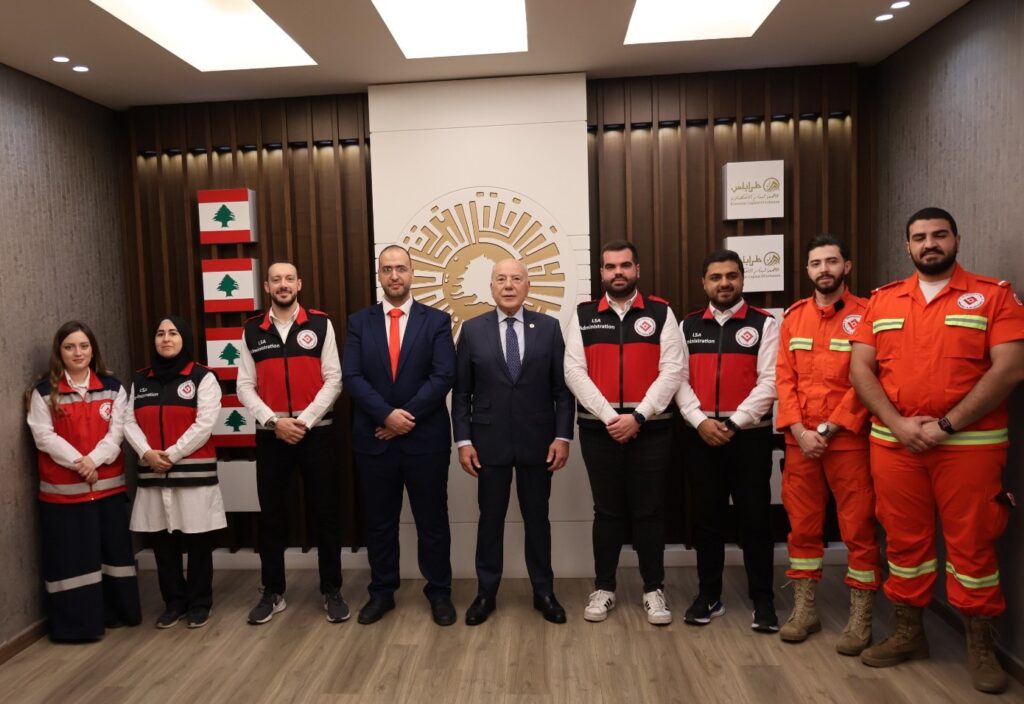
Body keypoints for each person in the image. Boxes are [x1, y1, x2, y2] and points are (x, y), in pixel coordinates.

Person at [849, 207, 1024, 693]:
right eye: (920, 237)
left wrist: (947, 425)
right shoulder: (883, 301)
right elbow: (860, 369)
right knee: (904, 542)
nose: (930, 244)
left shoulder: (994, 296)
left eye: (939, 235)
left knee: (973, 543)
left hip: (969, 445)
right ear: (907, 246)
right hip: (895, 444)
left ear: (956, 240)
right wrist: (898, 424)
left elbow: (1010, 368)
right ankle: (909, 633)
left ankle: (981, 645)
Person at [564, 240, 684, 626]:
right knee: (607, 511)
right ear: (601, 273)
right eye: (611, 266)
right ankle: (604, 588)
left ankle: (653, 589)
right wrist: (610, 417)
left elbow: (673, 370)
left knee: (649, 510)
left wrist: (639, 416)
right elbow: (573, 371)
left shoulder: (661, 312)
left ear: (637, 270)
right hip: (599, 430)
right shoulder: (584, 315)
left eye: (625, 265)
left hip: (652, 429)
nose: (618, 272)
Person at [453, 258, 575, 626]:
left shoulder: (549, 328)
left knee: (537, 520)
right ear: (491, 287)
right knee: (490, 521)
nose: (509, 285)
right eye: (501, 279)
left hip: (539, 442)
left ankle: (544, 592)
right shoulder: (472, 330)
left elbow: (562, 391)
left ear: (527, 286)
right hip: (487, 444)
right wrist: (463, 441)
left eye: (516, 279)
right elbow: (462, 394)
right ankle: (485, 594)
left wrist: (562, 436)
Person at [774, 235, 880, 653]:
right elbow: (784, 378)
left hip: (848, 440)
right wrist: (801, 432)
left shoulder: (868, 314)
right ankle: (805, 611)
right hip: (800, 442)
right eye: (816, 263)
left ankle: (860, 617)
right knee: (802, 527)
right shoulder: (794, 317)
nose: (824, 269)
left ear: (846, 267)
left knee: (858, 527)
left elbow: (867, 378)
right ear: (807, 270)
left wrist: (830, 428)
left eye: (832, 261)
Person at [343, 245, 458, 626]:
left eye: (401, 269)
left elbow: (444, 375)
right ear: (379, 275)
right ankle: (382, 592)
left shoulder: (436, 321)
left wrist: (404, 417)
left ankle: (439, 592)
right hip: (374, 439)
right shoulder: (359, 322)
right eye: (387, 269)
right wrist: (386, 416)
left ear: (412, 273)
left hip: (425, 440)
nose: (394, 275)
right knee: (380, 523)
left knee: (432, 522)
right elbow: (352, 376)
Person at [676, 249, 779, 632]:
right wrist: (701, 421)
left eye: (731, 276)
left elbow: (770, 382)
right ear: (704, 283)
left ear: (742, 279)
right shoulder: (688, 326)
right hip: (700, 437)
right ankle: (709, 595)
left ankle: (763, 600)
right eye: (716, 277)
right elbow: (677, 378)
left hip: (749, 438)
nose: (724, 283)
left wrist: (733, 423)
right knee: (706, 521)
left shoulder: (765, 324)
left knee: (755, 520)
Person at [237, 262, 345, 625]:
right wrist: (275, 421)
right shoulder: (252, 329)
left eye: (288, 279)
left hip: (317, 433)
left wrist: (304, 421)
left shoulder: (320, 324)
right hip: (272, 436)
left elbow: (334, 379)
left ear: (299, 284)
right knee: (271, 517)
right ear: (267, 287)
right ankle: (273, 591)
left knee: (326, 515)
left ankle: (331, 590)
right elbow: (244, 386)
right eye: (276, 280)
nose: (282, 285)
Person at [26, 321, 141, 641]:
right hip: (64, 496)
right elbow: (43, 436)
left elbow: (117, 432)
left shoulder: (113, 387)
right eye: (70, 347)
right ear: (59, 352)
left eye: (84, 346)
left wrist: (94, 461)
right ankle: (78, 627)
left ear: (93, 350)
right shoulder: (43, 392)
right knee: (73, 562)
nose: (78, 352)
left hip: (108, 491)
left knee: (112, 557)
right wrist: (81, 463)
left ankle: (118, 613)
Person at [124, 316, 226, 629]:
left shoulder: (202, 377)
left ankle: (199, 603)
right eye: (160, 333)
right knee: (162, 544)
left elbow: (204, 424)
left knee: (197, 543)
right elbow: (128, 421)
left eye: (173, 333)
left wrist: (171, 455)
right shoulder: (140, 380)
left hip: (193, 475)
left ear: (184, 339)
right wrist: (146, 453)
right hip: (153, 474)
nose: (166, 339)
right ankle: (174, 602)